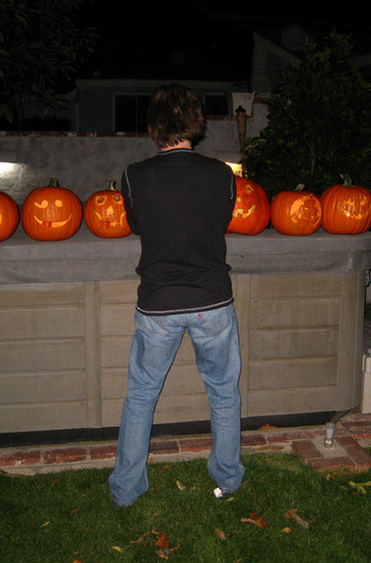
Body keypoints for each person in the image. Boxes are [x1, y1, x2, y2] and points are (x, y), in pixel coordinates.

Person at [107, 83, 245, 507]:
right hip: (212, 302)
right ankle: (227, 478)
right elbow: (220, 222)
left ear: (154, 126)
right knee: (223, 393)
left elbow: (136, 224)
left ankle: (127, 489)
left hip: (158, 305)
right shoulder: (223, 174)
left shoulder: (134, 175)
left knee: (141, 396)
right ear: (194, 123)